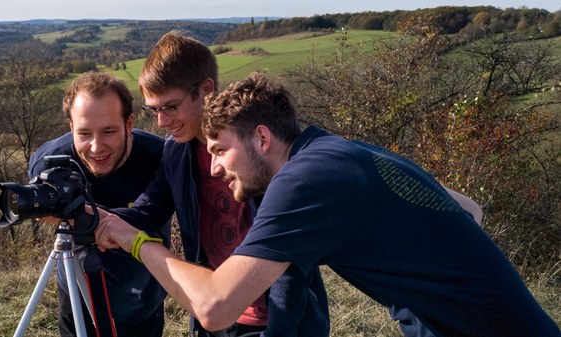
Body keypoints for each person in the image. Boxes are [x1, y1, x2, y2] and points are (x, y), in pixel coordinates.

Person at [95, 72, 561, 337]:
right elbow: (467, 209)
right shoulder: (340, 152)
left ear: (262, 137)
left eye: (220, 151)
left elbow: (215, 307)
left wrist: (136, 240)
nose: (215, 168)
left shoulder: (302, 181)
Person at [110, 31, 329, 337]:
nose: (161, 122)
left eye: (170, 107)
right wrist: (94, 218)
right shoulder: (176, 152)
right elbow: (149, 210)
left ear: (206, 89)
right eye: (153, 110)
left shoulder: (260, 150)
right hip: (217, 317)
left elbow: (289, 257)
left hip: (281, 320)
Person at [28, 72, 169, 337]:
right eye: (84, 133)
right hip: (77, 289)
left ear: (129, 124)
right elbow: (39, 208)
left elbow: (157, 211)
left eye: (108, 131)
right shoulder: (51, 161)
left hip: (140, 295)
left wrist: (88, 217)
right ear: (71, 128)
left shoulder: (159, 156)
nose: (96, 147)